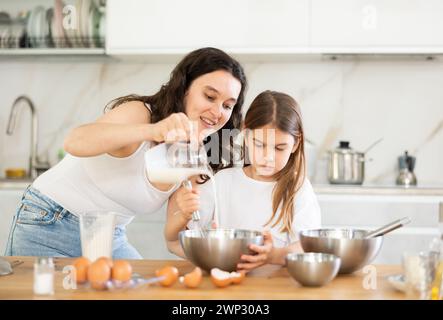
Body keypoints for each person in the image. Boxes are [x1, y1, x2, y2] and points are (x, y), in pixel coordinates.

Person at [5, 47, 247, 259]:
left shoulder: (197, 154)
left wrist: (221, 255)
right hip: (49, 222)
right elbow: (74, 141)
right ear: (184, 88)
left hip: (108, 235)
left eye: (227, 105)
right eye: (209, 96)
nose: (217, 112)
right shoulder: (141, 114)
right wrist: (154, 130)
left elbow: (174, 240)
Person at [165, 90, 321, 271]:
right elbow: (175, 241)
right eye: (259, 144)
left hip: (278, 287)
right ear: (246, 136)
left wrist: (274, 256)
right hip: (229, 283)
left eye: (279, 148)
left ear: (295, 144)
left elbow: (308, 246)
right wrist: (183, 215)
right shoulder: (222, 182)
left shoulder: (298, 189)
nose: (268, 157)